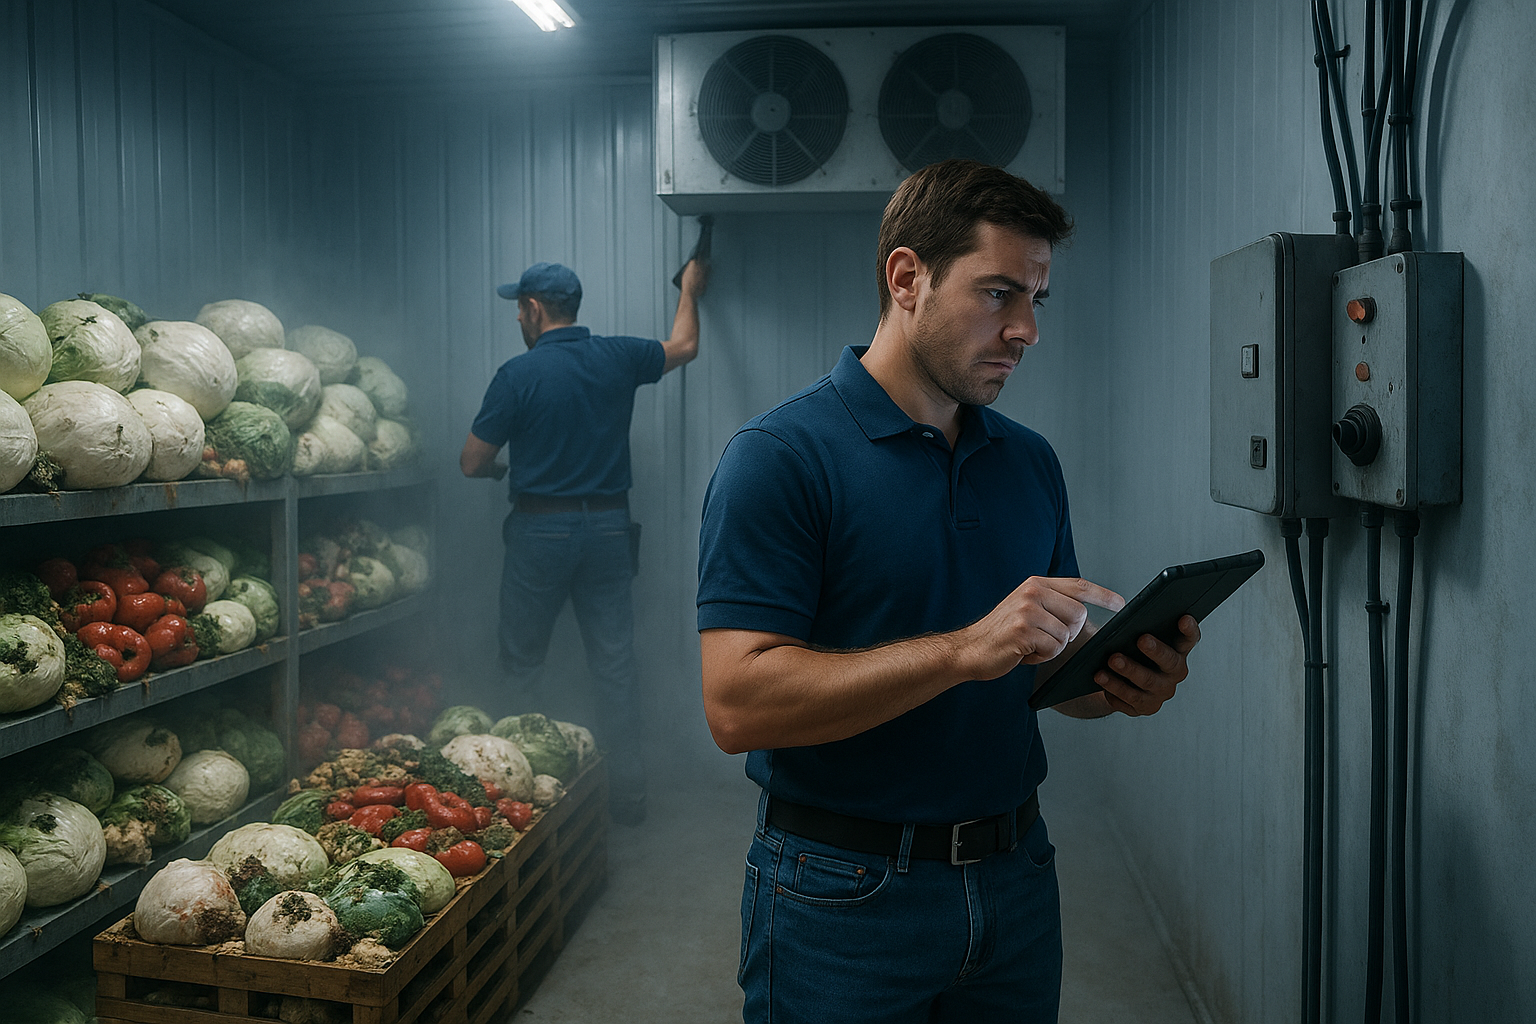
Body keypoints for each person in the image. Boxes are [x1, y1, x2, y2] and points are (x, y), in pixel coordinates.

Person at [696, 159, 1202, 1022]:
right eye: (998, 293)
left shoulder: (1029, 461)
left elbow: (1037, 672)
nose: (1026, 330)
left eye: (1037, 299)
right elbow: (738, 705)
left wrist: (1113, 682)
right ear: (907, 278)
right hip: (839, 899)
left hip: (1015, 881)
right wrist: (966, 649)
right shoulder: (780, 458)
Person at [463, 258, 708, 826]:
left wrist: (500, 472)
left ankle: (518, 805)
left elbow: (472, 461)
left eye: (518, 309)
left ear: (533, 309)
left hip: (539, 531)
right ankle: (629, 797)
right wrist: (691, 287)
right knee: (614, 665)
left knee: (524, 663)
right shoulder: (618, 356)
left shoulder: (517, 375)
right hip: (606, 530)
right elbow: (686, 344)